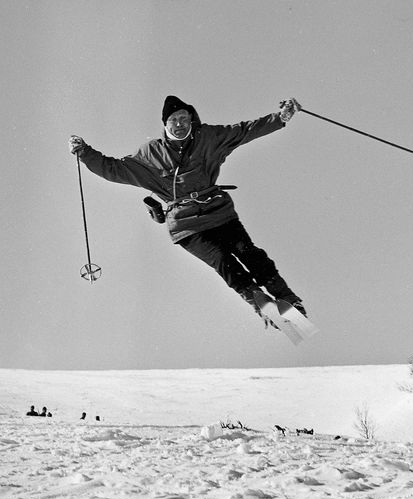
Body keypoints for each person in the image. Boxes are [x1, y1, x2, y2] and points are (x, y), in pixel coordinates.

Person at [68, 96, 306, 329]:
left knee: (252, 255)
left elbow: (245, 131)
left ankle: (287, 300)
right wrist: (85, 152)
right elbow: (114, 169)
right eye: (174, 120)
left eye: (184, 118)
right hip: (186, 226)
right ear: (165, 125)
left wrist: (280, 118)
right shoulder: (151, 154)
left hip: (219, 213)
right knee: (223, 262)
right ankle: (260, 303)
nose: (180, 124)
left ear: (192, 120)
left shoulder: (209, 138)